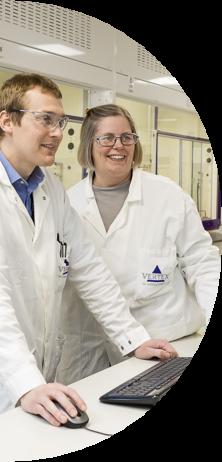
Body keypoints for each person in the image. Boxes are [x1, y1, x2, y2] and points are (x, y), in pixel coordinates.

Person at [0, 74, 177, 432]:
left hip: (34, 369)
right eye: (45, 119)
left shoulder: (48, 188)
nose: (57, 132)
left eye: (61, 121)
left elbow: (89, 267)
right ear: (7, 121)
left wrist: (133, 339)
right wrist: (24, 381)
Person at [56, 104, 220, 385]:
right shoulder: (67, 203)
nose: (118, 146)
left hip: (166, 342)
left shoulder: (167, 195)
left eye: (127, 137)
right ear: (88, 145)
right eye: (106, 138)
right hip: (90, 349)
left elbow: (202, 263)